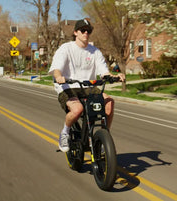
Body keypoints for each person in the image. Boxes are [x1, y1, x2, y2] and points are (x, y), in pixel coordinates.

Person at [49, 18, 125, 152]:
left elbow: (103, 72)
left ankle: (103, 137)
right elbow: (56, 69)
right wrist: (59, 77)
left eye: (88, 31)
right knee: (77, 109)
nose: (86, 33)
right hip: (68, 87)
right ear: (75, 32)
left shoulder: (95, 51)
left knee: (109, 103)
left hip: (88, 87)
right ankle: (65, 133)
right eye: (83, 30)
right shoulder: (66, 48)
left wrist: (114, 77)